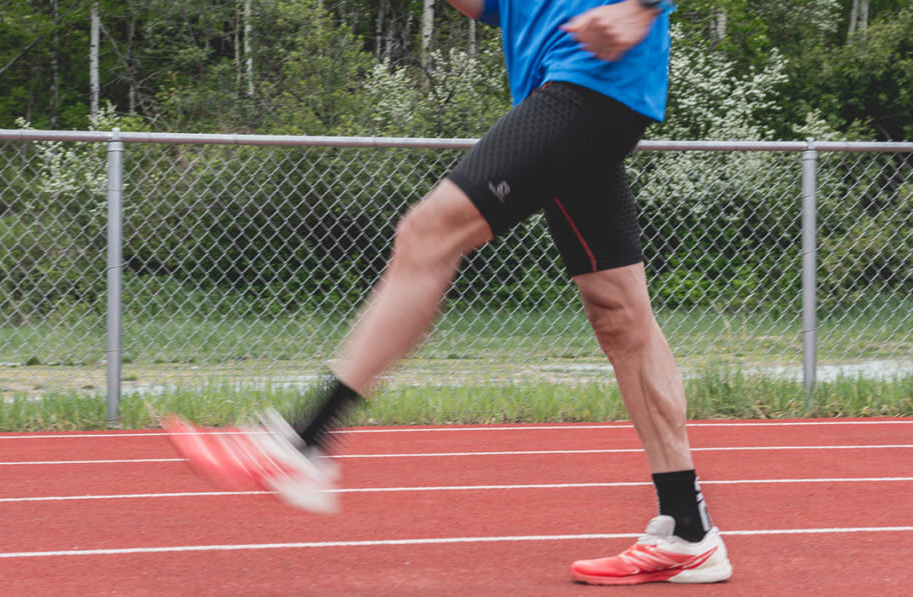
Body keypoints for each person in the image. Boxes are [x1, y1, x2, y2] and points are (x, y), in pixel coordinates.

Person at [164, 0, 732, 586]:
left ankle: (305, 440)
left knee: (428, 232)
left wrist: (641, 7)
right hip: (562, 83)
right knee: (620, 313)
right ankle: (689, 531)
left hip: (594, 81)